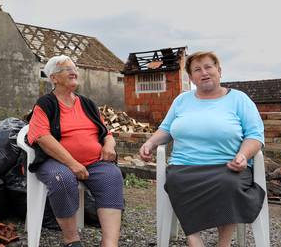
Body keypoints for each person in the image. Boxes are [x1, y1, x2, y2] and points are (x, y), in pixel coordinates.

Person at [139, 51, 265, 247]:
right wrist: (150, 143)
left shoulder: (239, 99)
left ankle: (223, 244)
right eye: (197, 70)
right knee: (176, 180)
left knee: (229, 184)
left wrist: (243, 155)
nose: (204, 73)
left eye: (208, 67)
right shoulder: (181, 100)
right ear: (191, 78)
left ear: (219, 71)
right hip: (184, 165)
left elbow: (255, 136)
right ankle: (194, 239)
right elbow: (165, 129)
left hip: (227, 166)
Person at [26, 55, 124, 247]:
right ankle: (71, 240)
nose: (73, 71)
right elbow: (41, 137)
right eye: (66, 69)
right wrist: (72, 163)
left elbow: (106, 132)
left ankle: (110, 243)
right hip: (56, 162)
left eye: (75, 68)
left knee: (112, 176)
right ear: (54, 78)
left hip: (93, 162)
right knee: (61, 179)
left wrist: (109, 145)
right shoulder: (45, 104)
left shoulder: (87, 103)